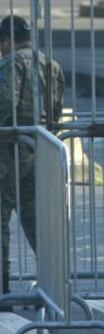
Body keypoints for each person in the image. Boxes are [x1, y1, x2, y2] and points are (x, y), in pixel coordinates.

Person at [0, 16, 65, 306]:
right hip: (40, 151)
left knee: (1, 219)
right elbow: (56, 112)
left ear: (6, 40)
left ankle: (2, 288)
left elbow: (4, 105)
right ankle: (55, 283)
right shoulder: (51, 65)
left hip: (10, 151)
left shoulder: (11, 64)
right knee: (35, 218)